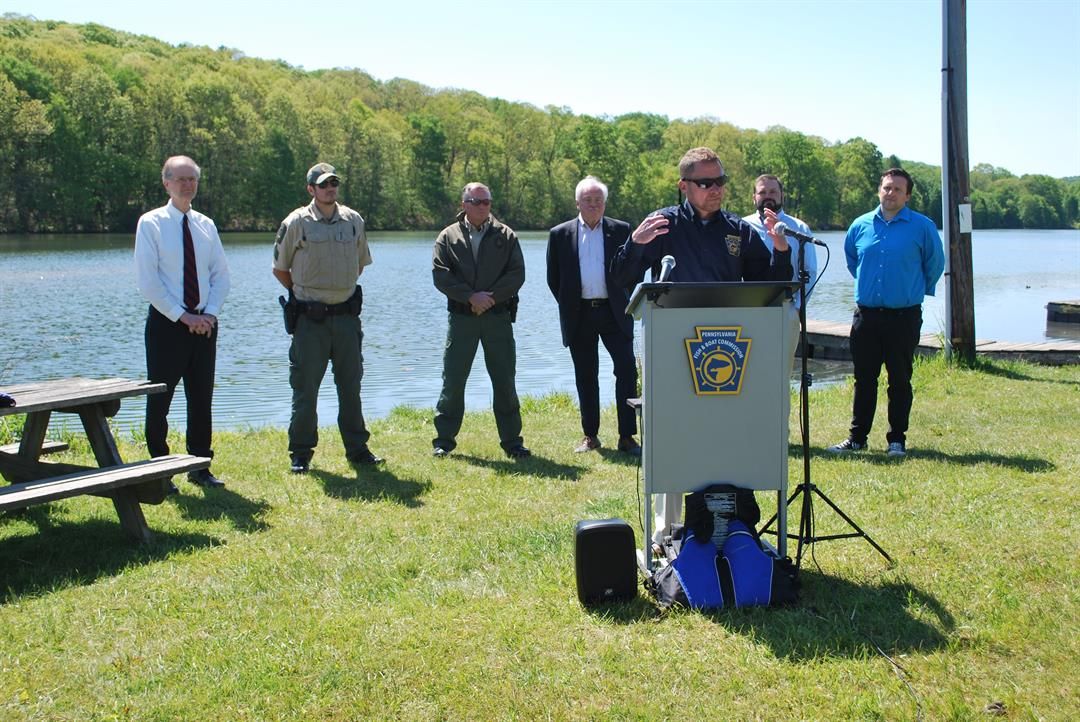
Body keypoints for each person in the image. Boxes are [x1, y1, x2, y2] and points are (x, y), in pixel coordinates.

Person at [611, 147, 793, 541]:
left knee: (725, 432)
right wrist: (636, 245)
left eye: (721, 182)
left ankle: (729, 525)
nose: (716, 190)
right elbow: (623, 279)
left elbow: (770, 287)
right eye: (706, 183)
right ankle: (665, 532)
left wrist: (781, 253)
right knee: (673, 434)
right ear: (684, 186)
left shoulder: (737, 230)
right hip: (671, 349)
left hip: (729, 351)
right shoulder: (662, 224)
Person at [272, 162, 382, 473]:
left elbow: (360, 264)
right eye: (323, 184)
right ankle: (301, 453)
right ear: (311, 189)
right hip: (311, 321)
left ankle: (358, 449)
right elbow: (280, 269)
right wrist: (306, 294)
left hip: (346, 318)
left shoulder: (353, 220)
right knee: (306, 389)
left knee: (351, 386)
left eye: (333, 183)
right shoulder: (296, 222)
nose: (329, 188)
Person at [828, 168, 945, 458]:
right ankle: (857, 438)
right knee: (864, 379)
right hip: (866, 316)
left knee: (900, 380)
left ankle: (897, 440)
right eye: (886, 188)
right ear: (879, 190)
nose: (890, 193)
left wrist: (916, 288)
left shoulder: (922, 226)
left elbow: (934, 263)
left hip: (903, 317)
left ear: (907, 195)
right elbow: (853, 259)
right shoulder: (860, 225)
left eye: (897, 189)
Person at [135, 155, 230, 489]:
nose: (187, 185)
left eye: (192, 179)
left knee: (201, 397)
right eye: (180, 179)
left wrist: (210, 313)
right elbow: (148, 283)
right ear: (166, 182)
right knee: (160, 398)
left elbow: (220, 276)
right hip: (167, 324)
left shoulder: (206, 225)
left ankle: (200, 466)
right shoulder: (151, 224)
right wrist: (183, 315)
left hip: (204, 324)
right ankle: (160, 471)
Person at [431, 182, 530, 459]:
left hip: (497, 318)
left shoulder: (506, 235)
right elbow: (441, 275)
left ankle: (512, 442)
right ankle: (444, 441)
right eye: (477, 201)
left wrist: (491, 298)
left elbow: (516, 274)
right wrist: (469, 297)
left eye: (487, 201)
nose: (483, 206)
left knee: (504, 380)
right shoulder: (447, 237)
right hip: (462, 320)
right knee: (453, 380)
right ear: (464, 204)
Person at [547, 176, 640, 456]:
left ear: (604, 203)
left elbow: (634, 272)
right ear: (577, 202)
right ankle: (590, 435)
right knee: (585, 376)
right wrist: (570, 303)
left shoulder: (621, 230)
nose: (593, 205)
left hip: (616, 313)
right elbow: (554, 279)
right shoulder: (560, 234)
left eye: (598, 200)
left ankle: (627, 436)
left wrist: (625, 299)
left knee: (625, 371)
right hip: (580, 314)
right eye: (588, 200)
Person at [741, 174, 818, 373]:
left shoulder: (799, 228)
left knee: (781, 370)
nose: (768, 196)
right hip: (749, 311)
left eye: (773, 192)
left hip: (787, 309)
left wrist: (797, 308)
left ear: (782, 195)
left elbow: (810, 272)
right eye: (762, 192)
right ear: (754, 198)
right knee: (748, 371)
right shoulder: (741, 226)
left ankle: (781, 405)